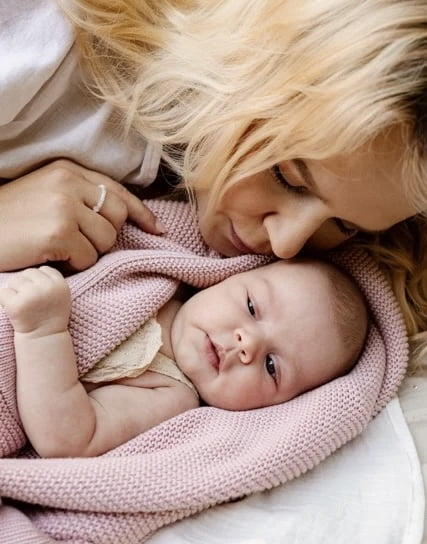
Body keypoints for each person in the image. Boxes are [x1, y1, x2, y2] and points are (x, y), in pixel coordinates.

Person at [0, 2, 425, 349]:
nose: (286, 244)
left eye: (345, 225)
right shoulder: (41, 44)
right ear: (248, 63)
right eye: (287, 178)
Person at [0, 258, 367, 457]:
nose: (247, 343)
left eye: (272, 366)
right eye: (252, 306)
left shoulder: (170, 392)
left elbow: (68, 438)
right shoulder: (156, 273)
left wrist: (43, 332)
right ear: (230, 274)